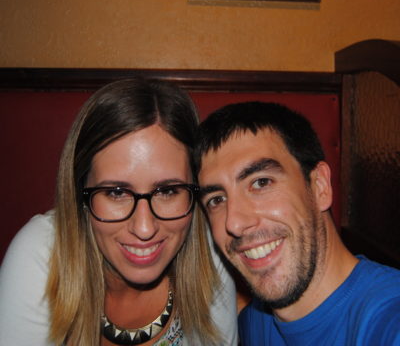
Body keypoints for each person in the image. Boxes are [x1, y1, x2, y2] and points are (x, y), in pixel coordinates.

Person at [0, 79, 238, 346]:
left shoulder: (211, 248)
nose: (145, 228)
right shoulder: (42, 257)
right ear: (80, 191)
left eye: (168, 191)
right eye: (116, 192)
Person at [194, 101, 400, 345]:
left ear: (319, 187)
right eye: (217, 199)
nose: (235, 223)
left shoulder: (386, 320)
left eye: (261, 182)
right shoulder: (257, 321)